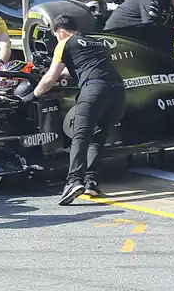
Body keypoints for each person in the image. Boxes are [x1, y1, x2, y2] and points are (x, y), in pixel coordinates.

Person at [22, 14, 126, 204]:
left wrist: (31, 96)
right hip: (118, 91)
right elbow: (76, 68)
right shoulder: (94, 42)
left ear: (60, 32)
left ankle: (73, 181)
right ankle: (90, 182)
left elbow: (50, 79)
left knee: (81, 135)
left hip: (94, 89)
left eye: (55, 37)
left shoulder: (65, 43)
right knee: (97, 138)